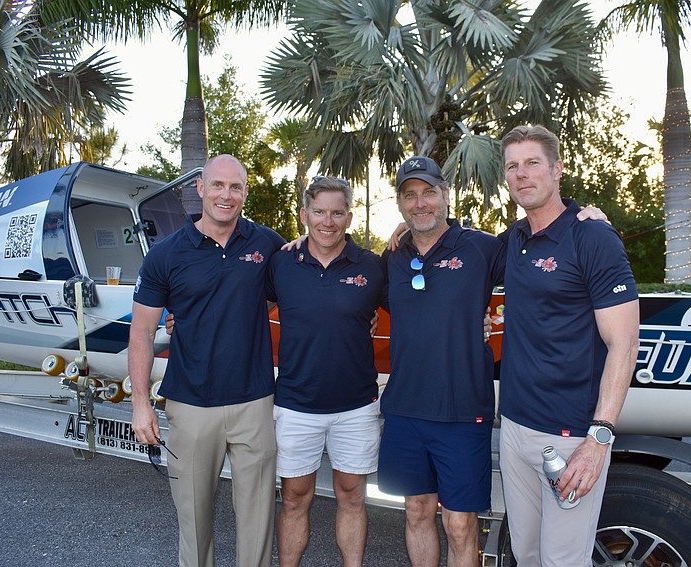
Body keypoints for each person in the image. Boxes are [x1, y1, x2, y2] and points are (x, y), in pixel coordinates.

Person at [129, 154, 285, 567]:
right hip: (191, 404)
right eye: (217, 185)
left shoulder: (267, 244)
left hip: (254, 401)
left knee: (258, 520)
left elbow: (307, 271)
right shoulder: (165, 254)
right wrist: (141, 403)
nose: (225, 195)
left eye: (235, 187)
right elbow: (141, 332)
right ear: (200, 188)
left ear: (245, 192)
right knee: (194, 521)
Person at [497, 125, 640, 566]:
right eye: (512, 166)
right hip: (515, 426)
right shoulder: (514, 240)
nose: (522, 174)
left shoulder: (593, 237)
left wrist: (599, 439)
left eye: (532, 163)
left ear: (557, 169)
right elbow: (455, 250)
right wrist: (408, 232)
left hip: (570, 436)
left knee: (563, 560)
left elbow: (624, 344)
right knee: (526, 554)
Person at [378, 156, 506, 567]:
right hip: (405, 410)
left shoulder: (482, 248)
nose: (420, 203)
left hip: (462, 412)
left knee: (459, 523)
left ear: (446, 195)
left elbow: (541, 251)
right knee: (416, 511)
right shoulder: (392, 257)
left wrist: (584, 218)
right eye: (410, 195)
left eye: (428, 192)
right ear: (400, 203)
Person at [266, 176, 386, 567]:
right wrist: (185, 318)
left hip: (356, 406)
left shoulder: (372, 266)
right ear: (304, 215)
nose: (327, 221)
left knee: (352, 497)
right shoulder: (281, 262)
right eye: (319, 212)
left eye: (337, 213)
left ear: (349, 217)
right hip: (296, 404)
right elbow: (236, 301)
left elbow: (418, 303)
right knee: (294, 499)